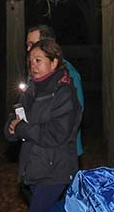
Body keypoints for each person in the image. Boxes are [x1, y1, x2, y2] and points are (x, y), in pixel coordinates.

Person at [5, 39, 82, 212]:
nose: (33, 65)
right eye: (30, 61)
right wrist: (11, 128)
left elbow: (56, 134)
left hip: (54, 172)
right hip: (33, 169)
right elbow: (16, 119)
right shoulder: (31, 91)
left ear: (54, 62)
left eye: (38, 60)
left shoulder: (64, 93)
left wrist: (22, 129)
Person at [26, 24, 85, 158]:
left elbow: (77, 112)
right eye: (27, 45)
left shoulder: (69, 74)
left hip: (62, 154)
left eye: (32, 44)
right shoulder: (33, 74)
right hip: (37, 150)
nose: (29, 49)